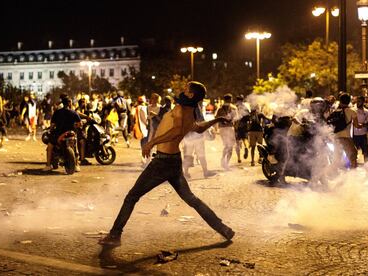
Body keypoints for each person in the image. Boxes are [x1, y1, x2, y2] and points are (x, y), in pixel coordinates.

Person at [99, 81, 235, 246]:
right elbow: (199, 128)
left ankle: (115, 235)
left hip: (162, 162)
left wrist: (151, 142)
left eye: (186, 89)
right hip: (174, 161)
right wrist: (217, 119)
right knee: (191, 199)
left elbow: (176, 130)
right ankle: (223, 228)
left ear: (191, 95)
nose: (183, 91)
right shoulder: (191, 112)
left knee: (132, 197)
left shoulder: (180, 109)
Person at [43, 97, 81, 172]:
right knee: (75, 146)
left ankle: (48, 165)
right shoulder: (73, 112)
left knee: (50, 146)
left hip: (59, 134)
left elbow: (52, 125)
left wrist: (51, 130)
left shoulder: (57, 112)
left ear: (62, 103)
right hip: (71, 133)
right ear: (69, 103)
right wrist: (74, 126)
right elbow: (79, 124)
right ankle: (76, 165)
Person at [333, 93, 362, 168]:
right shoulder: (352, 111)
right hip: (346, 137)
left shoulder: (335, 111)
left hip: (335, 138)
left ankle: (334, 176)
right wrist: (363, 125)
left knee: (336, 159)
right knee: (353, 157)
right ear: (349, 101)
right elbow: (357, 126)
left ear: (340, 101)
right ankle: (353, 176)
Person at [215, 94, 238, 170]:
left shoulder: (222, 109)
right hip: (227, 128)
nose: (230, 101)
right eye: (229, 99)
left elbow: (216, 118)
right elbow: (217, 118)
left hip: (226, 128)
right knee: (228, 146)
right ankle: (225, 162)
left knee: (229, 146)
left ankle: (225, 162)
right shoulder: (229, 108)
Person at [353, 96, 368, 163]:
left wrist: (363, 125)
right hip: (354, 135)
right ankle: (353, 168)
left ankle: (367, 166)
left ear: (363, 102)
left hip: (363, 135)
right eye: (357, 101)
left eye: (359, 101)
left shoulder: (366, 111)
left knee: (365, 152)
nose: (358, 102)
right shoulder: (353, 109)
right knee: (353, 153)